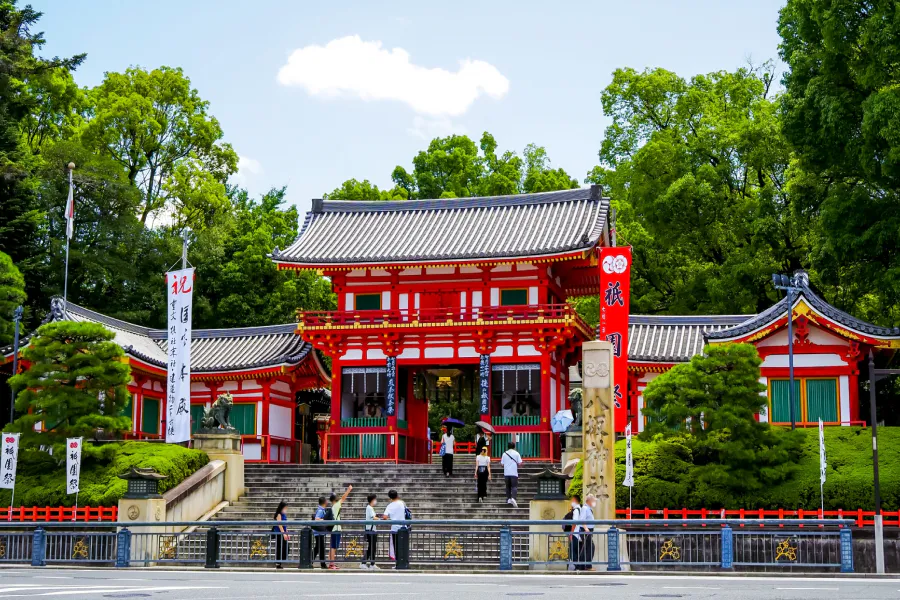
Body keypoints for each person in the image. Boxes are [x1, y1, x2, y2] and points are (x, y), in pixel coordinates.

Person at [328, 485, 352, 570]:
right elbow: (343, 498)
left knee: (332, 546)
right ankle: (331, 564)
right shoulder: (336, 505)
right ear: (335, 499)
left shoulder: (332, 507)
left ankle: (331, 563)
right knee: (333, 547)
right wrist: (348, 490)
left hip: (333, 529)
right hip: (336, 529)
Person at [381, 489, 407, 566]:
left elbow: (385, 517)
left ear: (390, 498)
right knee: (403, 546)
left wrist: (391, 518)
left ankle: (397, 563)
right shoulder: (402, 503)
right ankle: (404, 562)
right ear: (397, 495)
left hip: (395, 529)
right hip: (403, 527)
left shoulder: (390, 506)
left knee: (396, 546)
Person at [500, 441, 523, 507]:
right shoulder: (516, 453)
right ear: (514, 446)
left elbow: (502, 464)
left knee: (507, 487)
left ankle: (508, 499)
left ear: (508, 446)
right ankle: (513, 498)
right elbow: (520, 463)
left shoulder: (504, 454)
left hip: (506, 473)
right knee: (514, 486)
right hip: (514, 473)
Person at [577, 494, 597, 571]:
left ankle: (581, 565)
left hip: (588, 530)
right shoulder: (585, 508)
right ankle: (587, 566)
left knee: (586, 547)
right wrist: (586, 528)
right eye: (593, 501)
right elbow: (582, 519)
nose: (594, 502)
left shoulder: (588, 508)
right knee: (590, 547)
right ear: (588, 501)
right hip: (586, 530)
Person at [362, 493, 379, 570]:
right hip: (371, 530)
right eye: (375, 499)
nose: (376, 501)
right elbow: (373, 517)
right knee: (372, 548)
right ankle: (367, 563)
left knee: (371, 548)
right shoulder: (369, 508)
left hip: (371, 530)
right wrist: (380, 519)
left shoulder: (370, 508)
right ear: (372, 500)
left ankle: (370, 563)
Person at [567, 494, 582, 572]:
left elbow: (574, 522)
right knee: (576, 550)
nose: (571, 502)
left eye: (572, 500)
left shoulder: (576, 510)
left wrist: (571, 533)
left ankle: (577, 565)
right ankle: (578, 565)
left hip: (575, 533)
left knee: (573, 551)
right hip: (579, 533)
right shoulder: (581, 509)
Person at [272, 500, 289, 569]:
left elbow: (285, 525)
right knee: (279, 548)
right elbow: (280, 525)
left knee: (286, 548)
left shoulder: (284, 515)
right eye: (285, 508)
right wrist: (283, 533)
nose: (286, 510)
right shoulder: (279, 514)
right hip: (279, 533)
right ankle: (278, 563)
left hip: (283, 532)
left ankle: (280, 561)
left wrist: (287, 533)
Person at [312, 495, 328, 569]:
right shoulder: (321, 510)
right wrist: (324, 520)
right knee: (319, 548)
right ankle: (322, 563)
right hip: (318, 532)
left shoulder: (321, 509)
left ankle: (322, 563)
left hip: (319, 532)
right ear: (324, 502)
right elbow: (316, 519)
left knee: (319, 548)